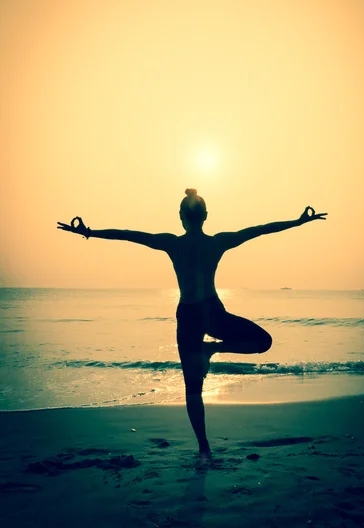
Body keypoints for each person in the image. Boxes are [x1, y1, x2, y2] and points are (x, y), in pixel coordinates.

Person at [57, 189, 327, 460]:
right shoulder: (217, 243)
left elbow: (130, 235)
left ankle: (204, 447)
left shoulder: (173, 244)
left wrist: (90, 232)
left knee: (193, 390)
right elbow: (258, 230)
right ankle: (213, 350)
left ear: (181, 217)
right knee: (263, 342)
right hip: (212, 312)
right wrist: (297, 222)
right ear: (206, 216)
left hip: (188, 316)